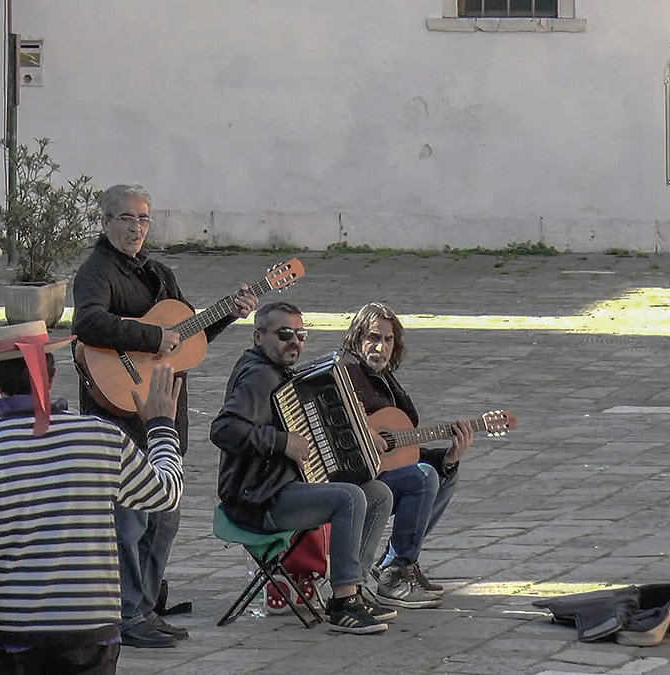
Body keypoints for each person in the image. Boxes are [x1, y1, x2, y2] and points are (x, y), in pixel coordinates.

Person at [0, 321, 185, 675]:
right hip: (91, 631)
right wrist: (161, 425)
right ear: (51, 376)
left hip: (15, 634)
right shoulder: (102, 438)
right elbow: (166, 493)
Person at [71, 183, 256, 648]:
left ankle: (146, 606)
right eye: (127, 218)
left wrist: (229, 313)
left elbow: (188, 336)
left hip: (164, 414)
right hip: (121, 415)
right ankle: (127, 615)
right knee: (130, 519)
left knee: (165, 517)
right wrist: (152, 340)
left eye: (143, 219)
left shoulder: (159, 274)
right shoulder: (95, 271)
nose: (136, 228)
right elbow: (87, 323)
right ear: (106, 221)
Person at [211, 301, 395, 635]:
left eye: (300, 334)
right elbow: (223, 429)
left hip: (281, 487)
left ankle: (354, 589)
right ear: (258, 336)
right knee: (350, 497)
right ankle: (342, 603)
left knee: (379, 493)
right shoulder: (259, 376)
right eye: (284, 334)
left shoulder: (279, 374)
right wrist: (280, 442)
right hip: (256, 500)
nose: (294, 341)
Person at [339, 302, 515, 606]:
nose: (380, 347)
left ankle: (396, 563)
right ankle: (394, 576)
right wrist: (361, 431)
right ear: (357, 339)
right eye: (373, 337)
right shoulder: (344, 374)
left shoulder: (385, 381)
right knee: (424, 476)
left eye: (388, 340)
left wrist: (450, 456)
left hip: (381, 475)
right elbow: (327, 415)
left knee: (444, 473)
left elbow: (406, 449)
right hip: (353, 482)